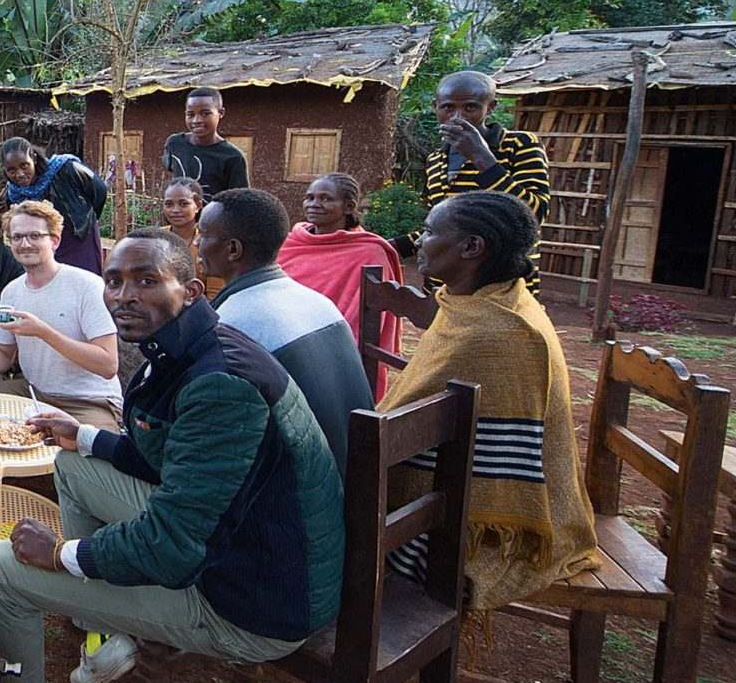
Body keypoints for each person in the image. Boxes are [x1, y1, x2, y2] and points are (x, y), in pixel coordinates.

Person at [0, 230, 344, 683]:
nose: (125, 295)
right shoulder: (188, 347)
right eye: (117, 280)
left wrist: (64, 554)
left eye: (147, 281)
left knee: (0, 569)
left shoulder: (219, 382)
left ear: (192, 290)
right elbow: (170, 462)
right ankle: (101, 630)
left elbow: (173, 546)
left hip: (252, 599)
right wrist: (86, 436)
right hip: (238, 543)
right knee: (74, 463)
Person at [382, 192, 599, 610]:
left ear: (471, 247)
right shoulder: (484, 303)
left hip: (497, 526)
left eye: (428, 231)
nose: (419, 241)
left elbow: (397, 425)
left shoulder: (495, 332)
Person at [195, 189, 373, 471]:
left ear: (233, 250)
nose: (196, 242)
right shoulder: (317, 300)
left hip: (305, 496)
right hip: (356, 474)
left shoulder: (231, 325)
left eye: (203, 234)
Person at [0, 202, 123, 431]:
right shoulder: (11, 291)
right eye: (17, 237)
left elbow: (108, 365)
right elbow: (4, 353)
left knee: (85, 454)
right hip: (34, 394)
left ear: (54, 241)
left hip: (89, 401)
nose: (25, 244)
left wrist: (44, 332)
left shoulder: (86, 285)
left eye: (35, 236)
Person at [417, 71, 551, 293]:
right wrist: (386, 245)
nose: (457, 117)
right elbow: (437, 226)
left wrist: (482, 157)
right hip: (444, 289)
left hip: (501, 290)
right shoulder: (435, 160)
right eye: (448, 108)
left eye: (470, 108)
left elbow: (534, 215)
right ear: (436, 107)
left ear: (490, 107)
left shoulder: (520, 145)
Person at [277, 173, 405, 399]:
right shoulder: (291, 243)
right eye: (310, 198)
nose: (314, 204)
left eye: (326, 199)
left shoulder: (368, 251)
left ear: (348, 206)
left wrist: (316, 350)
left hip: (333, 354)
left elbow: (363, 318)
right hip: (280, 340)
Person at [1, 137, 107, 277]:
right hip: (43, 247)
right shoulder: (13, 194)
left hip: (78, 240)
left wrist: (87, 217)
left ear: (34, 158)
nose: (19, 174)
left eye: (24, 165)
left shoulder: (67, 169)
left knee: (84, 282)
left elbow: (99, 190)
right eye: (11, 170)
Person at [161, 86, 248, 198]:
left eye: (205, 114)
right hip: (179, 214)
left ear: (221, 113)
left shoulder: (232, 157)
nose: (197, 120)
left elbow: (240, 201)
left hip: (214, 215)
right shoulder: (175, 144)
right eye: (190, 115)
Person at [156, 177, 222, 300]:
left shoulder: (211, 244)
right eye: (169, 204)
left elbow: (215, 297)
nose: (175, 210)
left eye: (183, 204)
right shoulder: (155, 240)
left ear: (198, 206)